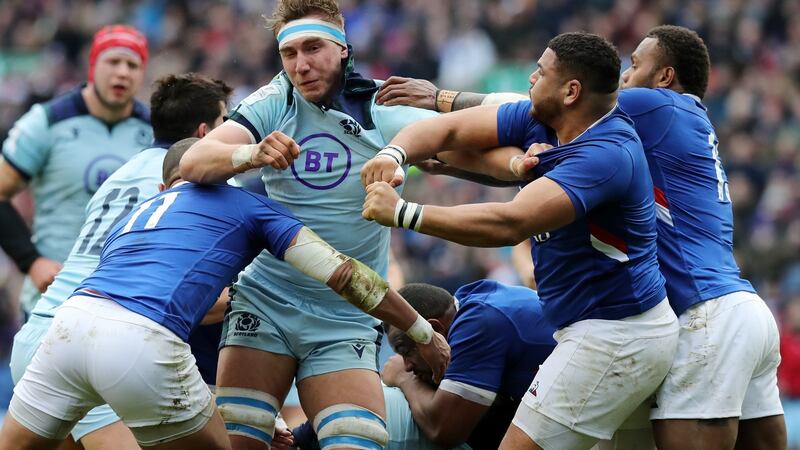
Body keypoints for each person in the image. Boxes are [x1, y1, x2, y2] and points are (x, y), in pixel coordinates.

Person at [375, 25, 786, 450]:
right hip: (739, 308)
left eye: (635, 66)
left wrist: (441, 100)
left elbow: (534, 111)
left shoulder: (649, 107)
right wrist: (476, 156)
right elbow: (523, 130)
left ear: (664, 77)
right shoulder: (672, 124)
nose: (624, 76)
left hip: (699, 316)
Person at [0, 138, 449, 450]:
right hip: (139, 339)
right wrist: (419, 330)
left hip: (67, 326)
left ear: (164, 184)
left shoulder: (138, 214)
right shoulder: (248, 206)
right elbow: (346, 276)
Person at [177, 1, 452, 448]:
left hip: (346, 314)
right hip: (268, 301)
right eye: (289, 54)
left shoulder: (381, 104)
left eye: (313, 48)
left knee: (358, 443)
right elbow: (193, 161)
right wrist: (251, 153)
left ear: (343, 48)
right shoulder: (273, 100)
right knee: (241, 443)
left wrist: (517, 162)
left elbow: (465, 141)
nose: (300, 66)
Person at [7, 72, 232, 450]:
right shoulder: (194, 184)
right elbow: (204, 302)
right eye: (226, 122)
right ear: (204, 131)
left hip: (42, 331)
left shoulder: (117, 177)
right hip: (101, 337)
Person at [292, 280, 557, 450]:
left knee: (389, 412)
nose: (406, 364)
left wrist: (404, 380)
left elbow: (445, 430)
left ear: (432, 329)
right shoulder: (475, 306)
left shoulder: (480, 323)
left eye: (406, 350)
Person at [0, 25, 152, 314]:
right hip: (55, 294)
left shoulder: (157, 131)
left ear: (143, 73)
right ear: (93, 66)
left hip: (127, 298)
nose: (123, 72)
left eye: (133, 64)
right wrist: (30, 261)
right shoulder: (46, 122)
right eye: (113, 61)